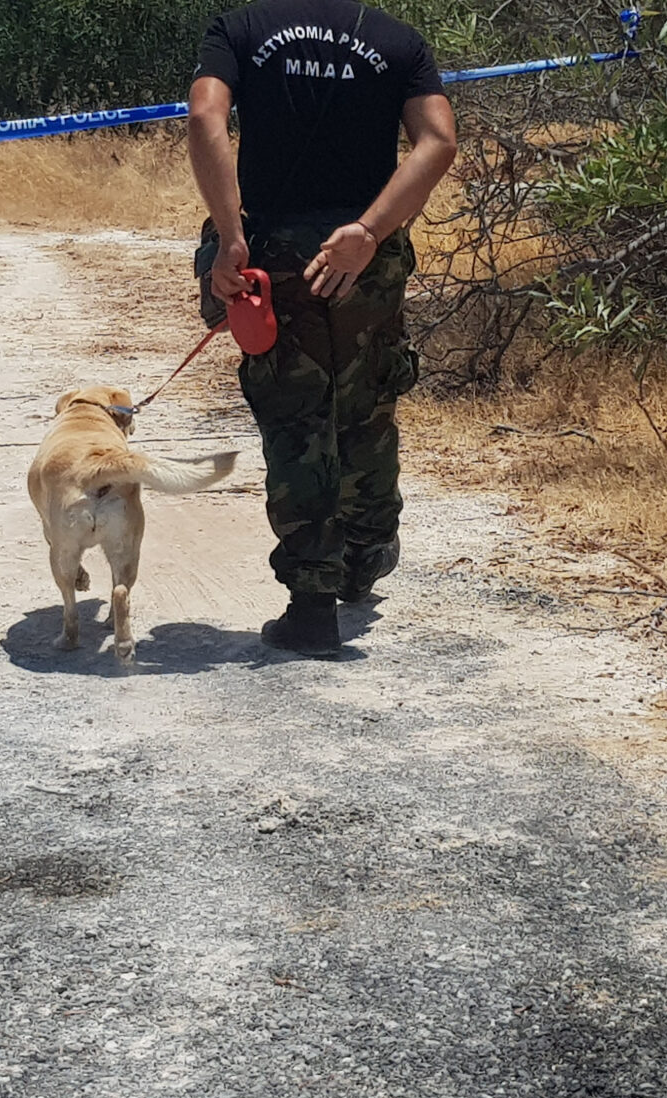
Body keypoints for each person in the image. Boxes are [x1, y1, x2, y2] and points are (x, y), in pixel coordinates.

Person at [188, 0, 458, 656]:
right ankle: (365, 558)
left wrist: (229, 238)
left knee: (296, 416)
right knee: (368, 402)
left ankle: (312, 605)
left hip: (275, 252)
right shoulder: (397, 40)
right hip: (364, 256)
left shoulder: (243, 29)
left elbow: (204, 116)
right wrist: (369, 232)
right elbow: (439, 142)